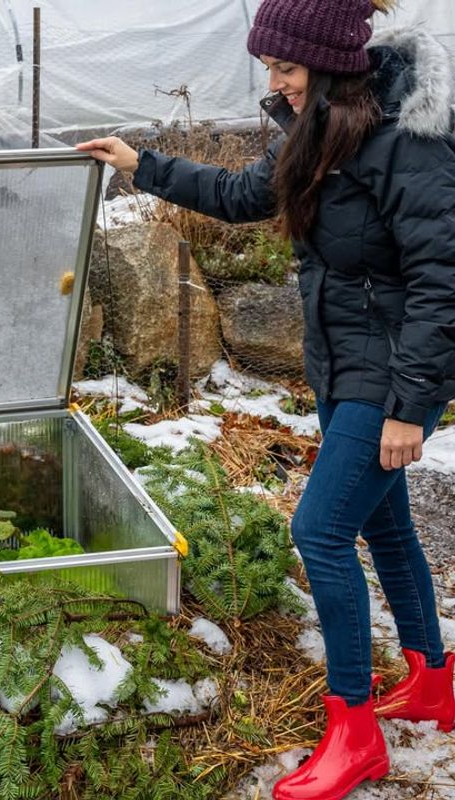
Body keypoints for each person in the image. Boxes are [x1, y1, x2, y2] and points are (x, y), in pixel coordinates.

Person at [77, 1, 455, 798]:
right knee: (383, 529)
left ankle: (353, 733)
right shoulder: (319, 131)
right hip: (344, 367)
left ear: (326, 65)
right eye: (272, 71)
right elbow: (245, 195)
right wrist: (141, 165)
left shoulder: (407, 145)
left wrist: (407, 406)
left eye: (286, 70)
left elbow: (440, 283)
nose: (275, 85)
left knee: (318, 532)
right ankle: (432, 682)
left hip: (387, 378)